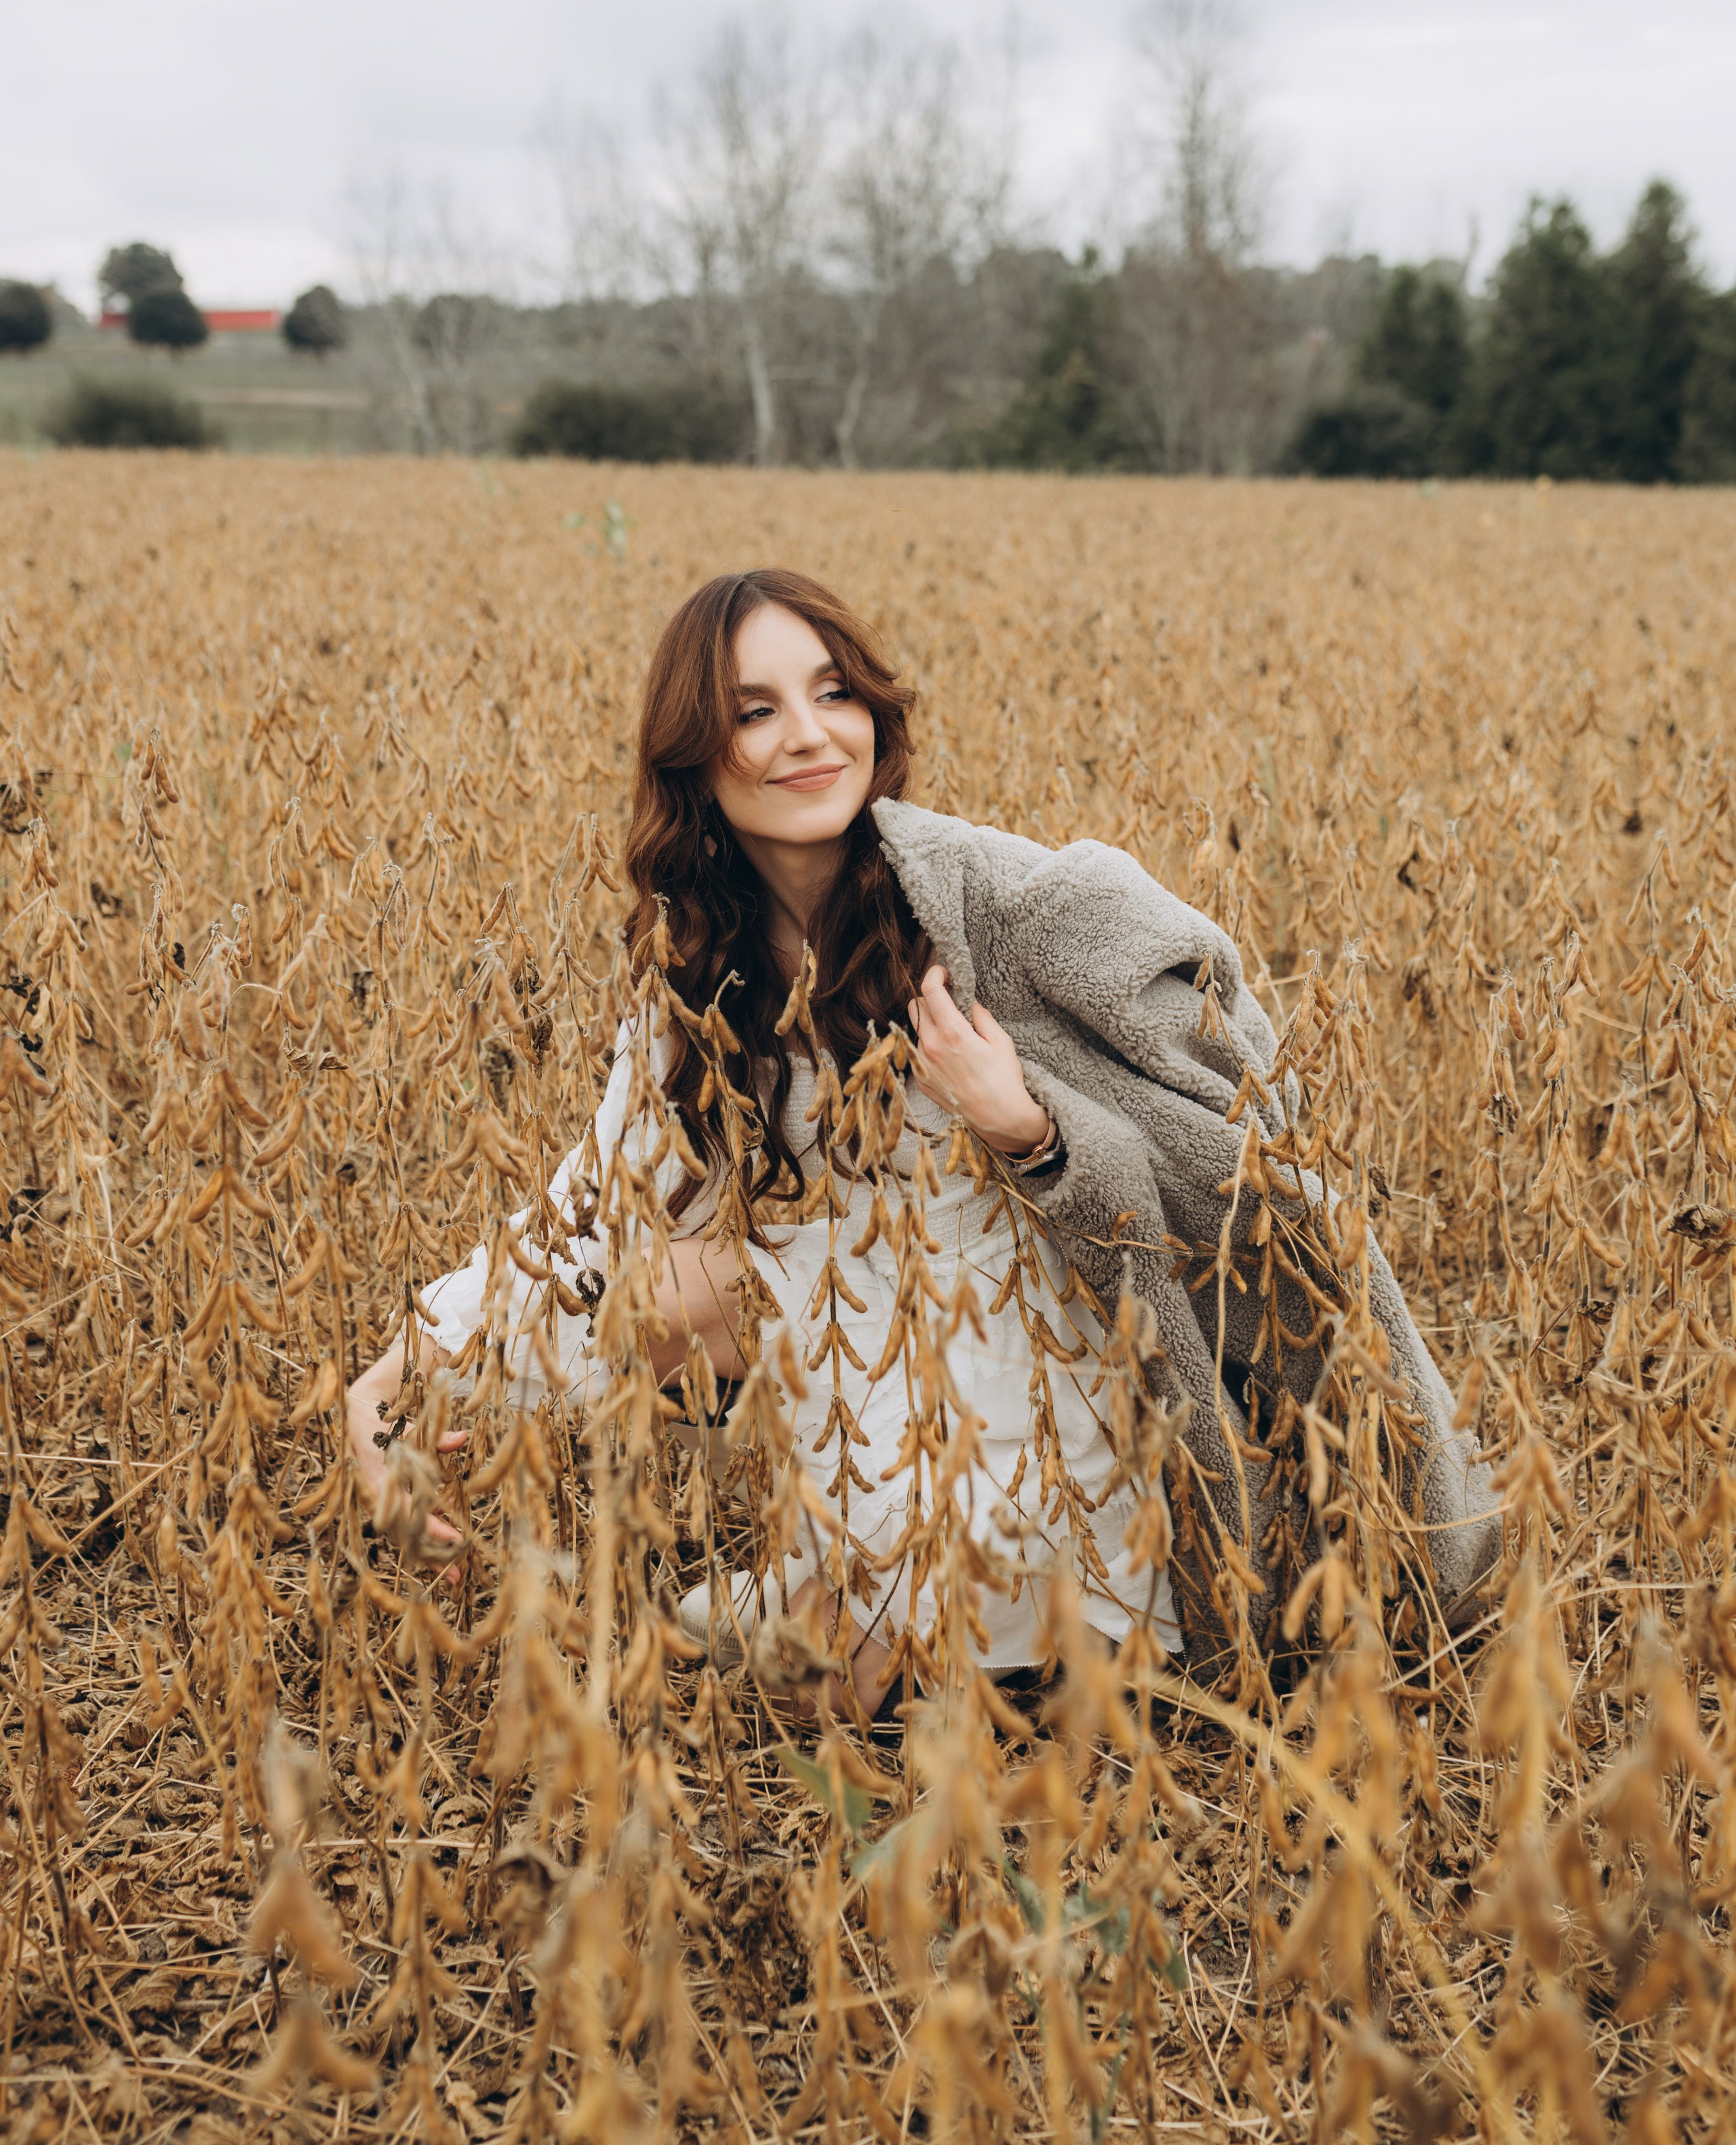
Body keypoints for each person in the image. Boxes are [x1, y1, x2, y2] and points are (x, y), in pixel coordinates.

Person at [349, 568, 1497, 1710]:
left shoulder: (1009, 906)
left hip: (1081, 1386)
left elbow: (1246, 1176)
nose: (809, 737)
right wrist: (389, 1381)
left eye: (834, 693)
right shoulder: (703, 973)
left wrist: (1036, 1133)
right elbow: (590, 1209)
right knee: (674, 1288)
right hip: (891, 1377)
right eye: (756, 713)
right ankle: (846, 1594)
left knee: (828, 1678)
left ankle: (1075, 1609)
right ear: (695, 757)